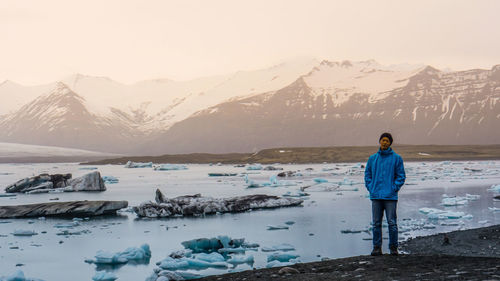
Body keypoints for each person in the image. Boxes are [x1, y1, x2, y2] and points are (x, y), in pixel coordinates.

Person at [364, 132, 406, 256]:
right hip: (376, 196)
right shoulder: (373, 159)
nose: (384, 142)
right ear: (380, 141)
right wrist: (371, 187)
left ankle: (393, 247)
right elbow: (368, 175)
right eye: (383, 140)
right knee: (376, 223)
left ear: (390, 143)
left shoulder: (396, 158)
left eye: (387, 141)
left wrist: (394, 188)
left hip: (390, 197)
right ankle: (377, 247)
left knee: (392, 223)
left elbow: (401, 176)